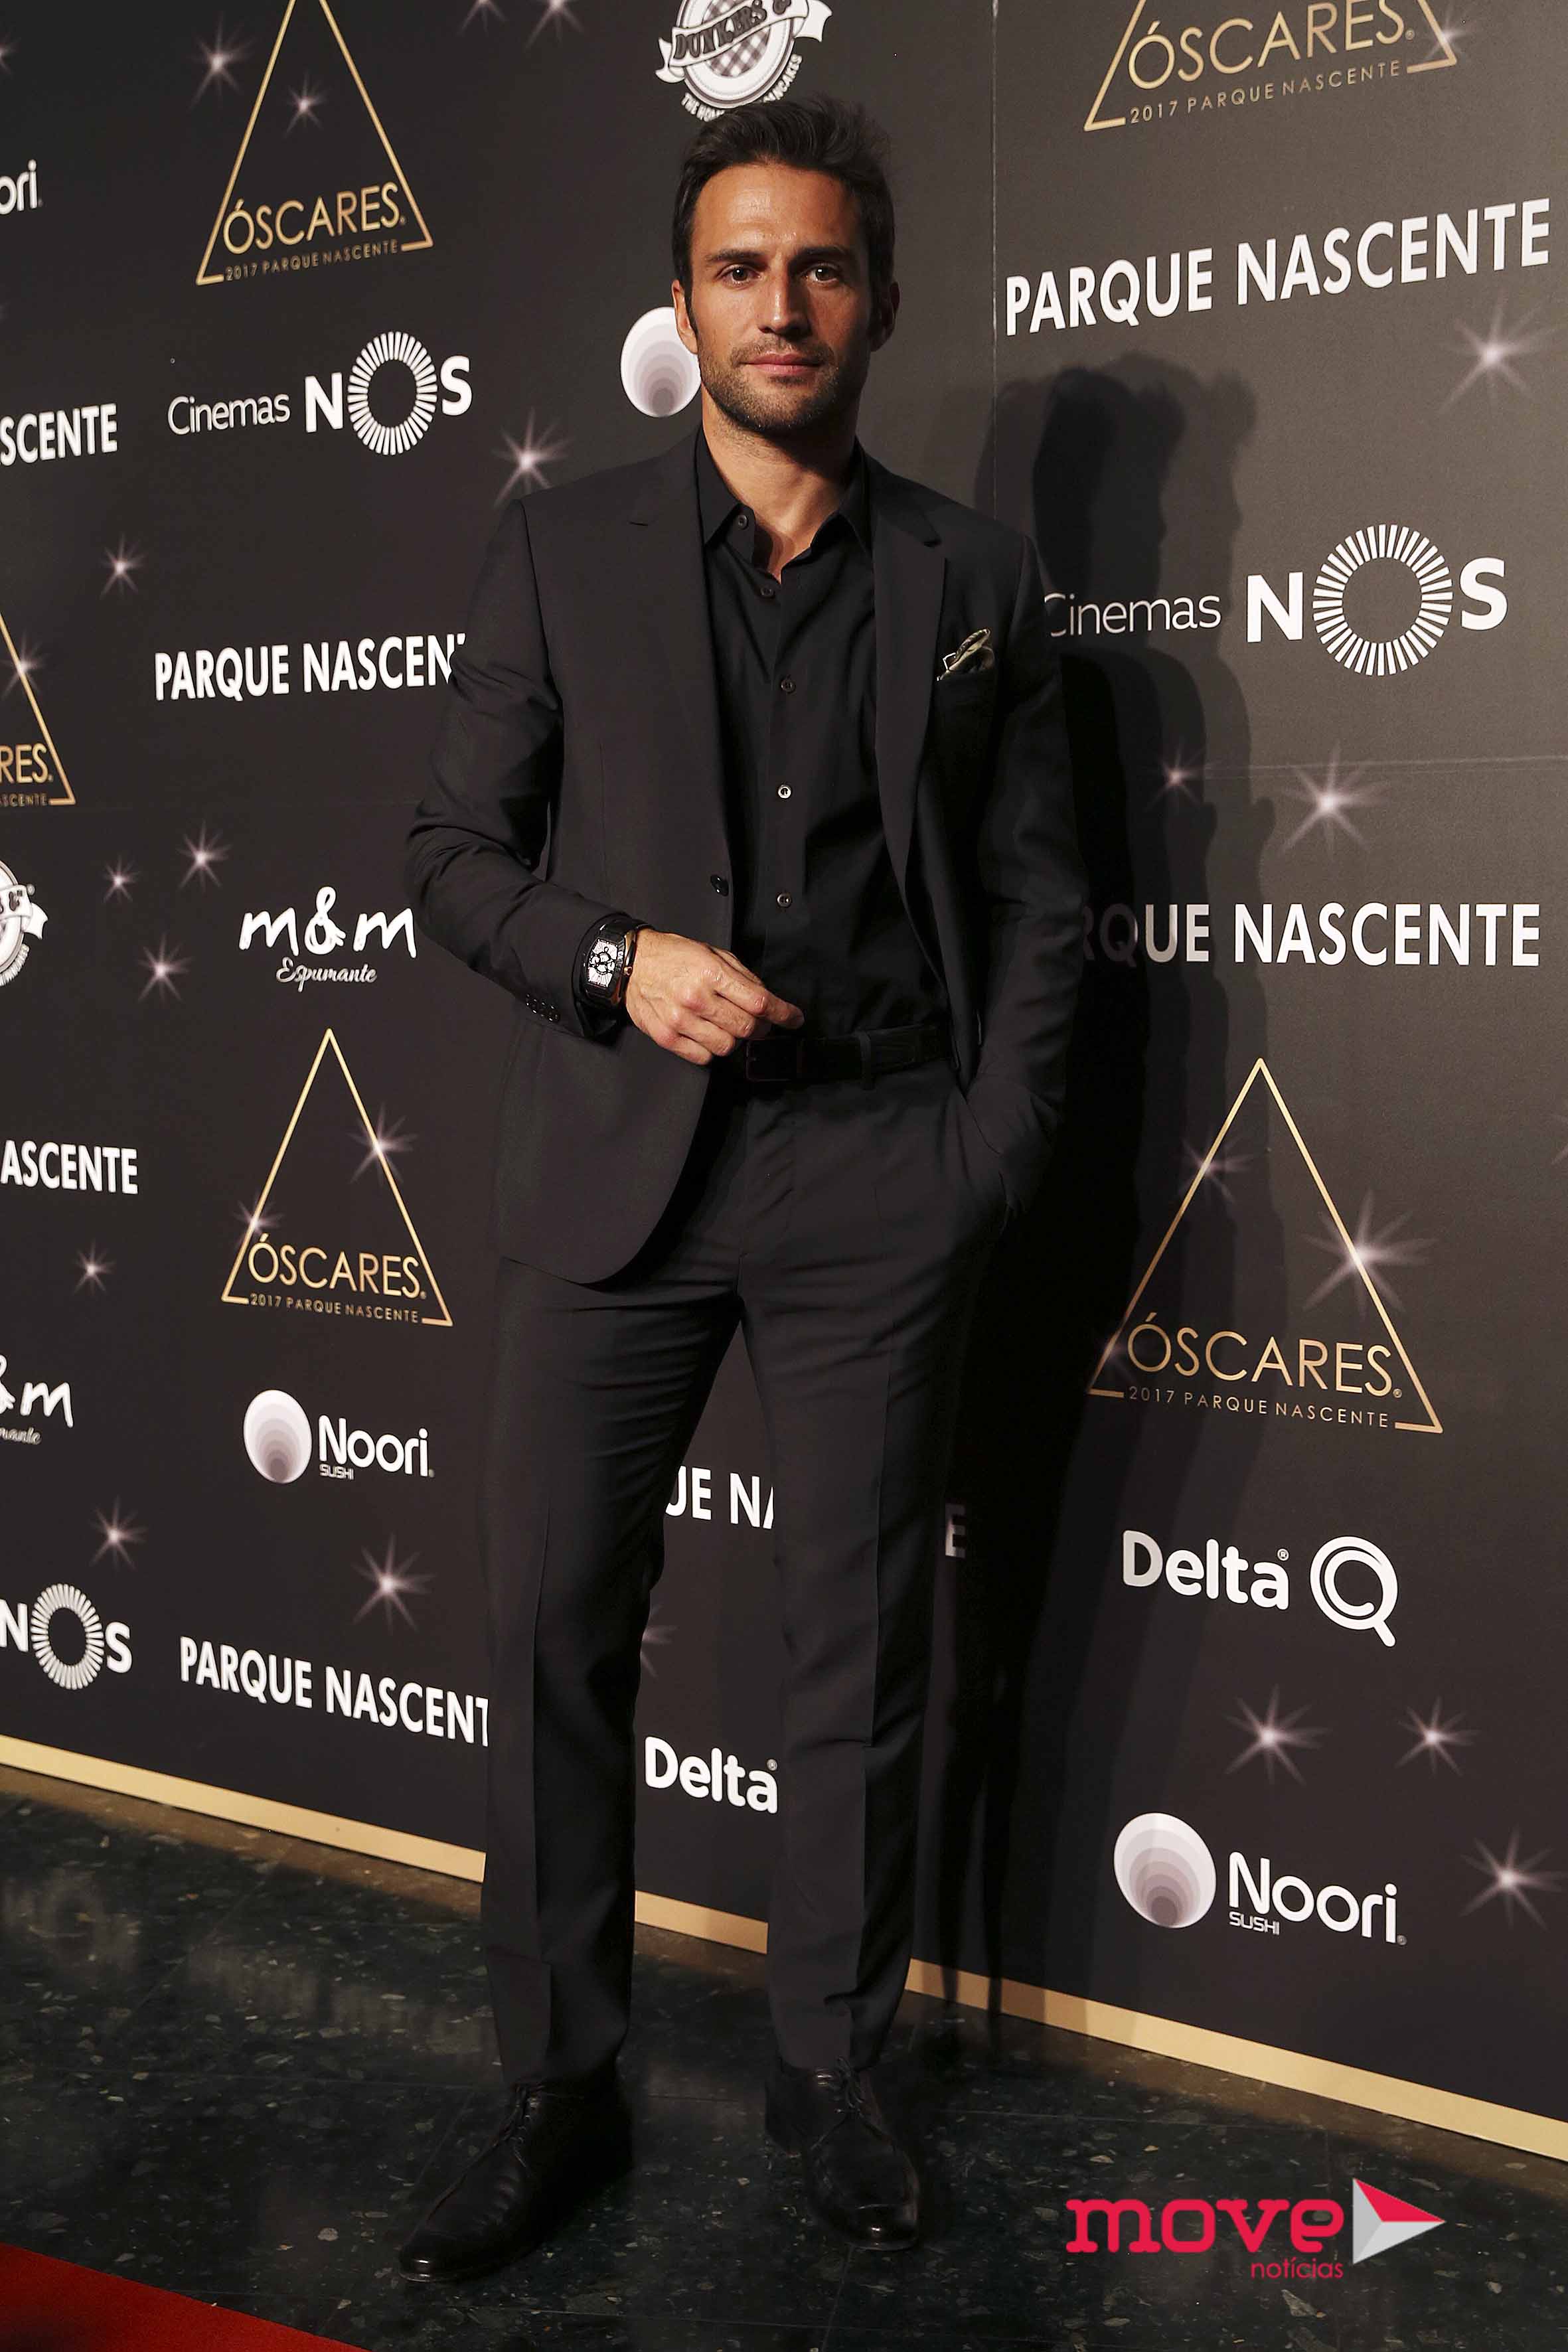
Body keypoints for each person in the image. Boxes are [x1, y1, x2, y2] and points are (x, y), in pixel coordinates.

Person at [396, 92, 1085, 2287]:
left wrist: (983, 1160)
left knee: (856, 1650)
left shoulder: (975, 579)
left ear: (874, 298)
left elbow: (1039, 901)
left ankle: (832, 2072)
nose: (778, 305)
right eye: (737, 267)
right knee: (551, 1632)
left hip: (881, 1173)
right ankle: (558, 2084)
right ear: (681, 305)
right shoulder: (558, 549)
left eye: (817, 267)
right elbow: (449, 860)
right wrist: (615, 961)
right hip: (618, 1174)